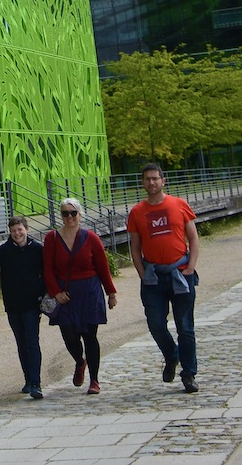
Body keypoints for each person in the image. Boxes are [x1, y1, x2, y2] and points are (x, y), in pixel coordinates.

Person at [127, 163, 201, 393]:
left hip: (180, 273)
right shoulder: (137, 212)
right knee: (156, 324)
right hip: (154, 278)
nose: (151, 183)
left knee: (185, 327)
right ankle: (172, 355)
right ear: (142, 183)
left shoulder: (179, 205)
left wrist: (190, 268)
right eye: (147, 179)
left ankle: (189, 374)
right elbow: (135, 248)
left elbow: (194, 239)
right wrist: (142, 274)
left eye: (155, 178)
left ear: (163, 181)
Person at [42, 196, 117, 394]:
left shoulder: (90, 238)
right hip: (65, 293)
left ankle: (94, 379)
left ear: (80, 214)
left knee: (90, 336)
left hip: (89, 291)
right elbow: (47, 269)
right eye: (65, 213)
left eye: (73, 213)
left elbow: (103, 267)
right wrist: (55, 293)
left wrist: (111, 292)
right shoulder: (52, 238)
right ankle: (79, 361)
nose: (69, 217)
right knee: (69, 335)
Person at [0, 215, 49, 399]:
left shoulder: (37, 249)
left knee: (31, 341)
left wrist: (43, 292)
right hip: (12, 303)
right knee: (21, 342)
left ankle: (36, 382)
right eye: (13, 231)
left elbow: (48, 272)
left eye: (20, 230)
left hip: (32, 303)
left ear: (26, 229)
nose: (17, 233)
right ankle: (28, 379)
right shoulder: (4, 250)